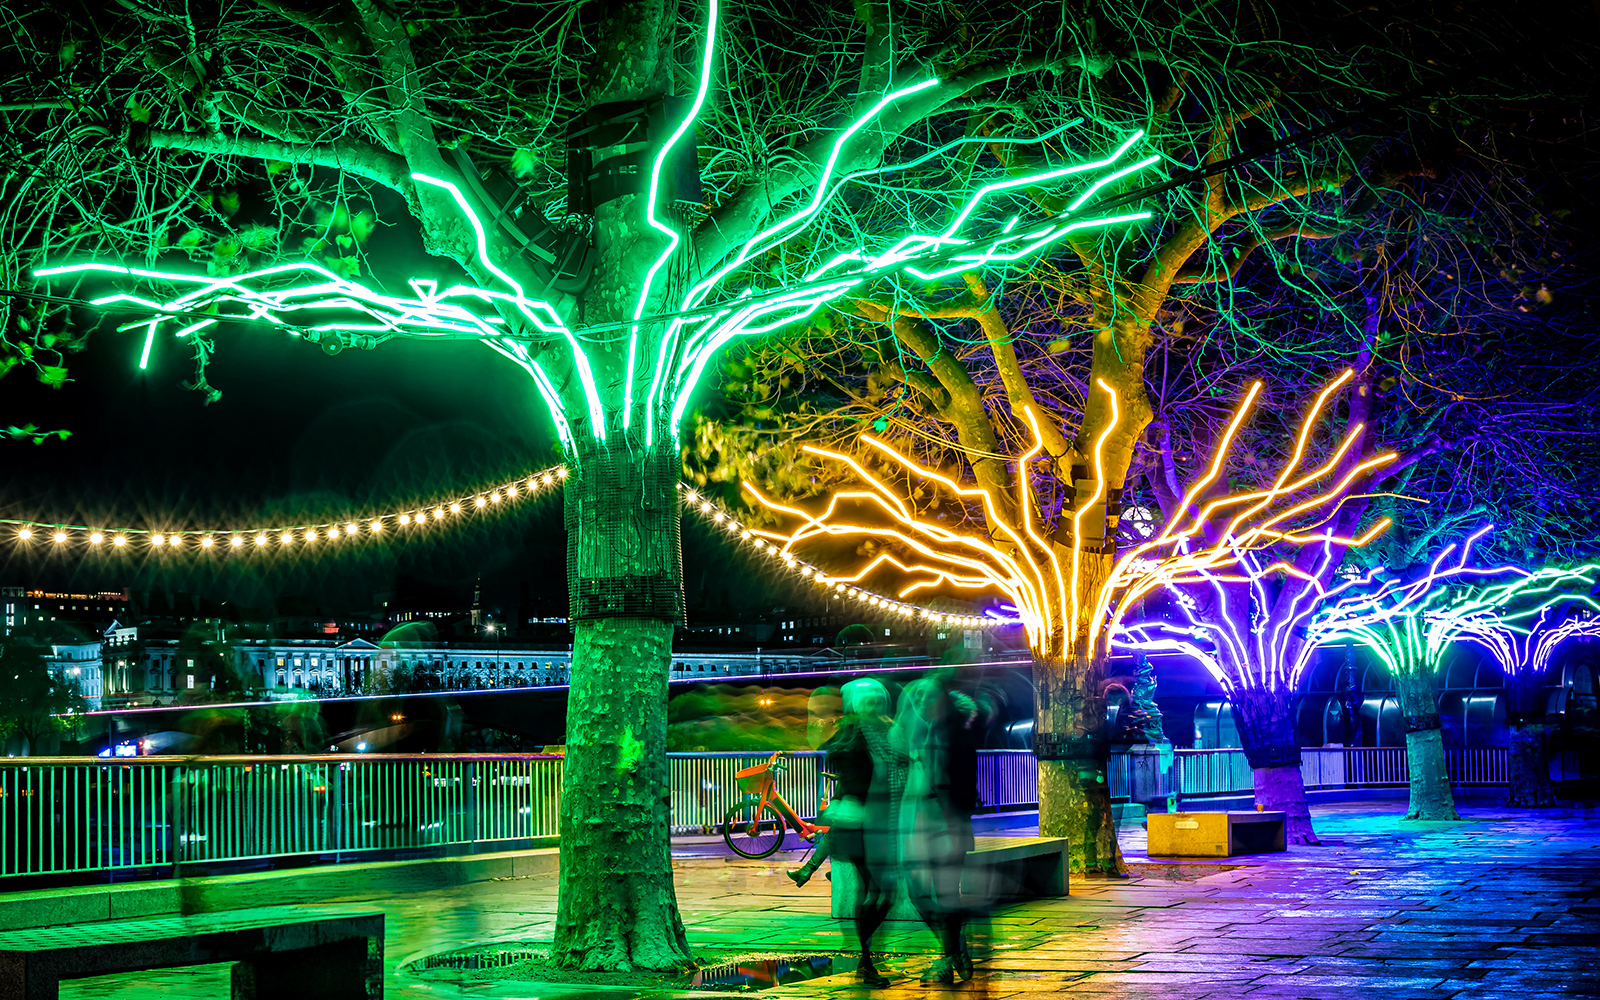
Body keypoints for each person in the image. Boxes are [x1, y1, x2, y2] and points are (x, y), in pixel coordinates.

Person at [896, 672, 986, 983]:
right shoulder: (914, 735)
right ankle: (953, 947)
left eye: (929, 696)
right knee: (917, 891)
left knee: (946, 891)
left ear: (943, 701)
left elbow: (964, 787)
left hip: (946, 824)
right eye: (917, 697)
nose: (921, 702)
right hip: (916, 822)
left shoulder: (956, 737)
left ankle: (947, 957)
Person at [819, 677, 905, 988]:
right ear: (857, 706)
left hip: (881, 823)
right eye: (867, 702)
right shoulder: (853, 734)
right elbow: (838, 756)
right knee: (878, 890)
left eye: (878, 701)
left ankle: (866, 956)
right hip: (859, 827)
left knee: (880, 892)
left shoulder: (888, 732)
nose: (874, 707)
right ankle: (866, 959)